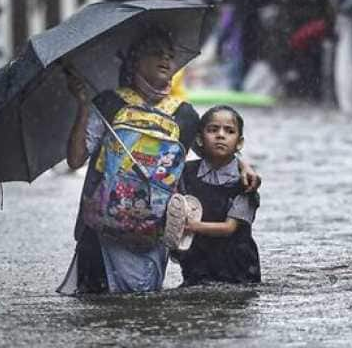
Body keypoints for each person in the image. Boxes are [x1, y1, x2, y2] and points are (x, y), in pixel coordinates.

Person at [57, 29, 260, 295]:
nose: (165, 60)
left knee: (144, 306)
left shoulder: (184, 116)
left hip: (153, 235)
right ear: (134, 62)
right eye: (155, 53)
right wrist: (83, 105)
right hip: (101, 233)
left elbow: (215, 152)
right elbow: (75, 160)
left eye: (170, 55)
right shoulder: (108, 104)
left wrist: (245, 166)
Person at [171, 105, 261, 286]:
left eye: (229, 131)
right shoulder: (186, 173)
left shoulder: (245, 183)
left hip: (237, 269)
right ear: (200, 139)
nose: (221, 135)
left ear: (239, 142)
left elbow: (229, 227)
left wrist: (193, 226)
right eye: (213, 130)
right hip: (197, 264)